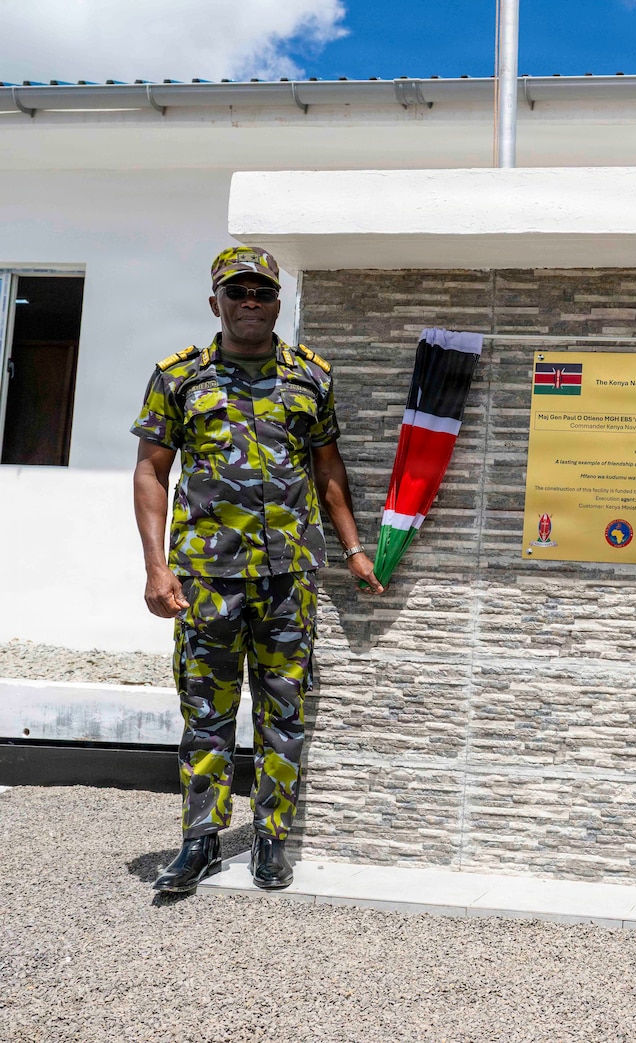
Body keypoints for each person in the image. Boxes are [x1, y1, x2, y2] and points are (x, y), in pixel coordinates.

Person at [133, 246, 383, 895]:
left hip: (287, 578)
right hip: (204, 582)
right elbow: (152, 470)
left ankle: (272, 837)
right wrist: (156, 568)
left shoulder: (310, 377)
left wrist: (354, 548)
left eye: (262, 293)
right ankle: (201, 841)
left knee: (283, 712)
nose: (250, 303)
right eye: (237, 292)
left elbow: (328, 469)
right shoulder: (179, 377)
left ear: (278, 302)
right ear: (215, 300)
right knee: (206, 711)